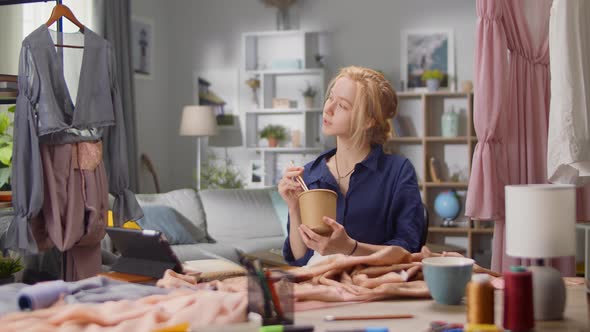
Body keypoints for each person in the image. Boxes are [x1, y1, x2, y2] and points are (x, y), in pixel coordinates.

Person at [279, 66, 425, 266]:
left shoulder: (398, 172)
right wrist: (294, 208)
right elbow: (300, 259)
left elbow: (408, 251)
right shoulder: (309, 174)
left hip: (375, 286)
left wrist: (350, 248)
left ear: (368, 121)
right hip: (321, 287)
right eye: (330, 98)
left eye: (343, 106)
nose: (328, 109)